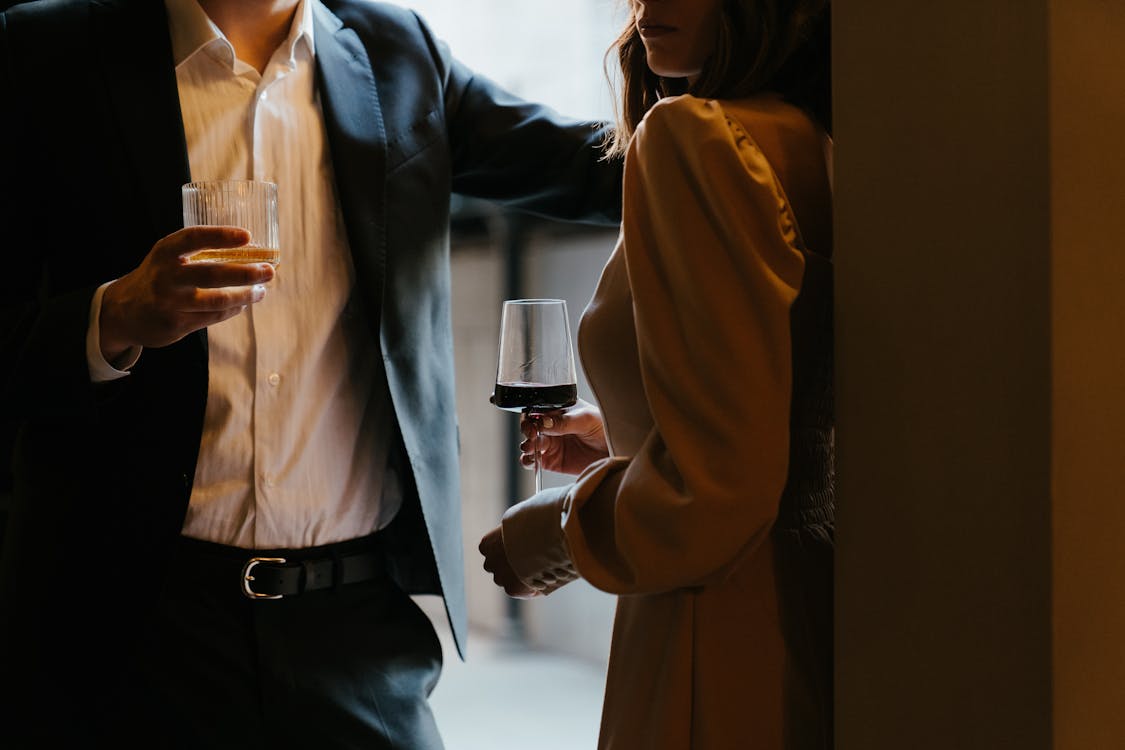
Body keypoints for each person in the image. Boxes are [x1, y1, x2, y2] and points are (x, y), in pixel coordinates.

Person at [0, 0, 621, 746]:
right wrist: (114, 317)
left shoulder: (397, 49)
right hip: (127, 624)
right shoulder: (43, 50)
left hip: (357, 633)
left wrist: (756, 103)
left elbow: (594, 168)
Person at [478, 0, 833, 747]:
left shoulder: (692, 136)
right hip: (819, 601)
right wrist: (626, 438)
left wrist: (550, 537)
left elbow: (718, 492)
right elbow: (782, 396)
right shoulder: (821, 138)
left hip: (718, 612)